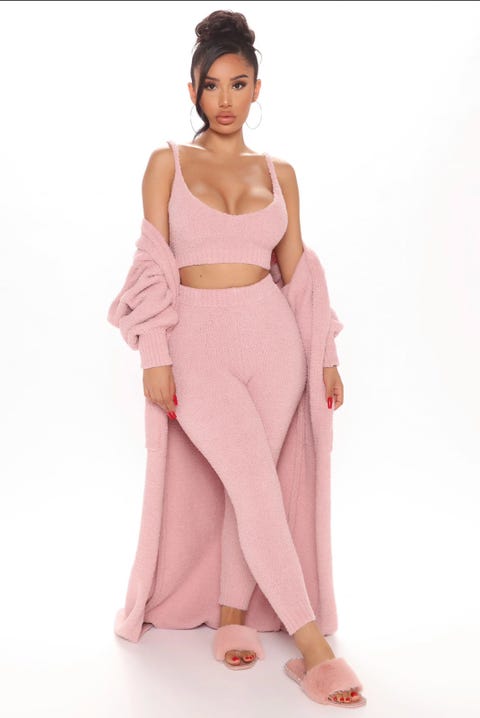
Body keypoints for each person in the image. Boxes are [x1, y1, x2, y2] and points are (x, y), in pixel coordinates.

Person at [117, 9, 366, 709]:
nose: (224, 99)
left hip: (273, 345)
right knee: (254, 483)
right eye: (212, 85)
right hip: (196, 345)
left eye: (238, 84)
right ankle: (313, 652)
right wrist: (154, 355)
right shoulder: (166, 162)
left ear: (258, 89)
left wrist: (324, 355)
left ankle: (233, 616)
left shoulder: (281, 173)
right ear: (192, 90)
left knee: (249, 484)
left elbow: (298, 272)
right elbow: (153, 263)